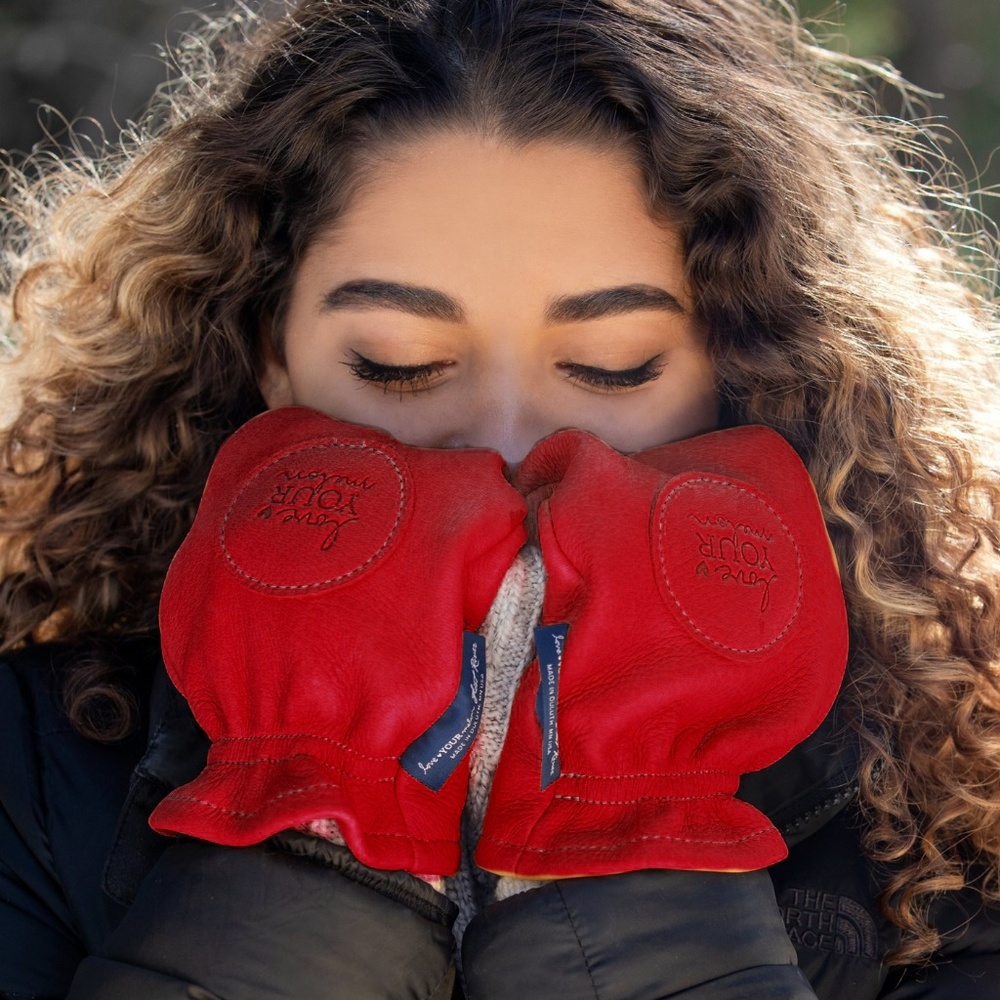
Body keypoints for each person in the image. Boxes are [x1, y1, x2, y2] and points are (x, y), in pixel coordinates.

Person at [1, 0, 999, 997]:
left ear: (748, 377)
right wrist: (317, 815)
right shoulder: (33, 763)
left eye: (613, 368)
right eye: (398, 365)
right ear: (271, 357)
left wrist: (629, 825)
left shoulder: (955, 803)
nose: (506, 449)